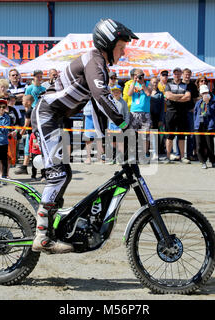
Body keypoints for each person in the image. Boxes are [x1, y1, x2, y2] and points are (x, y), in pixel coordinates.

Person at [30, 18, 137, 253]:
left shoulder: (99, 65)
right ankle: (41, 234)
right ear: (108, 44)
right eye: (121, 46)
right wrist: (126, 121)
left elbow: (97, 107)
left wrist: (108, 139)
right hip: (47, 115)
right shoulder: (94, 61)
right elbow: (101, 96)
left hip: (55, 118)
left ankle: (51, 221)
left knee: (64, 173)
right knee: (58, 175)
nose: (124, 51)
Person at [164, 67, 191, 163]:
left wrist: (174, 98)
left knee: (182, 136)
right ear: (173, 74)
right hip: (171, 112)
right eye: (175, 73)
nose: (177, 75)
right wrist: (180, 96)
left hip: (182, 113)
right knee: (169, 136)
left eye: (179, 73)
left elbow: (188, 97)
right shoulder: (168, 84)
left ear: (181, 74)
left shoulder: (186, 85)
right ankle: (168, 156)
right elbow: (168, 96)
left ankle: (182, 157)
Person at [127, 68, 152, 159]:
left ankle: (145, 153)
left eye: (142, 75)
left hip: (145, 112)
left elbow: (148, 93)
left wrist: (142, 84)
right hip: (134, 112)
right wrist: (134, 81)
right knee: (132, 134)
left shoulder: (148, 83)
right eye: (137, 75)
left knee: (146, 134)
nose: (140, 77)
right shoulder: (132, 84)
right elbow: (129, 93)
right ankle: (132, 154)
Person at [193, 85, 215, 169]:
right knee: (199, 144)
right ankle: (202, 161)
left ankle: (213, 161)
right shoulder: (198, 103)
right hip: (199, 125)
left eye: (206, 93)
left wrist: (207, 104)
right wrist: (195, 124)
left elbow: (212, 113)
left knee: (209, 145)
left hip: (208, 126)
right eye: (203, 93)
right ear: (200, 94)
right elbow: (195, 114)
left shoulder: (213, 102)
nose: (205, 94)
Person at [108, 84, 130, 162]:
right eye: (114, 91)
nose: (115, 93)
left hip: (121, 125)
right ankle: (112, 157)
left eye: (117, 91)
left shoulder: (123, 102)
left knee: (120, 142)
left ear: (120, 92)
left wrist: (125, 125)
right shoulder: (109, 102)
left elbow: (126, 114)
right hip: (111, 125)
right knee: (112, 142)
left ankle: (119, 158)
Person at [182, 68, 199, 161]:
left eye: (189, 74)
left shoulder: (193, 86)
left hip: (190, 112)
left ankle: (189, 154)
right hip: (180, 112)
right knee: (180, 134)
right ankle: (179, 154)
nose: (187, 76)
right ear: (182, 75)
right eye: (185, 74)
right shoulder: (179, 84)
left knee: (191, 134)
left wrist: (194, 108)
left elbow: (196, 99)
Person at [15, 94, 34, 175]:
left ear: (28, 102)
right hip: (33, 133)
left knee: (27, 150)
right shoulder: (32, 110)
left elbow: (26, 125)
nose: (22, 102)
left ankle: (24, 167)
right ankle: (25, 166)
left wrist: (20, 135)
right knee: (29, 150)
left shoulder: (29, 111)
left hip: (31, 134)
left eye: (23, 101)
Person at [83, 100, 105, 164]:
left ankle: (99, 158)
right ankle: (88, 158)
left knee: (99, 137)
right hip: (88, 113)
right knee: (88, 138)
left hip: (99, 113)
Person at [149, 76, 165, 158]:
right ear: (150, 82)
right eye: (153, 82)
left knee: (155, 135)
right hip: (147, 116)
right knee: (146, 135)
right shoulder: (146, 92)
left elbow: (162, 108)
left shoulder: (160, 94)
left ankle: (155, 152)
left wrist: (161, 119)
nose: (154, 84)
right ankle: (147, 152)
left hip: (156, 117)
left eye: (156, 82)